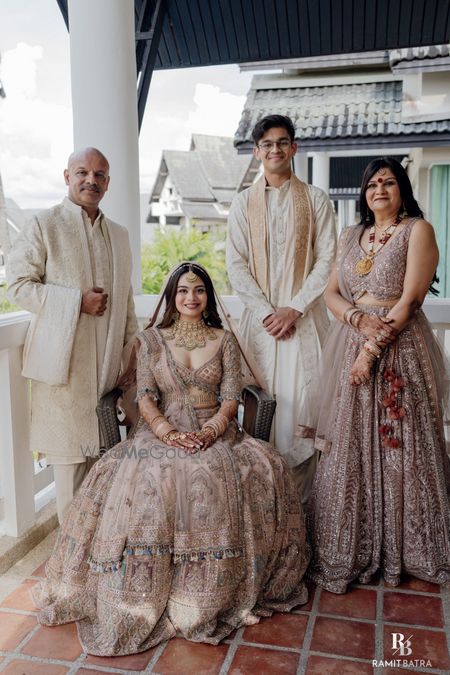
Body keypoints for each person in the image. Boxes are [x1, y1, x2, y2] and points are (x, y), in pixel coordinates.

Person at [32, 262, 310, 656]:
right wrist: (168, 432)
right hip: (162, 430)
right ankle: (147, 592)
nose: (191, 297)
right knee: (144, 479)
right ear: (172, 296)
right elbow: (144, 395)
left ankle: (211, 593)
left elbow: (232, 396)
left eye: (198, 290)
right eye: (182, 291)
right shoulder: (151, 340)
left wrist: (211, 431)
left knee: (256, 466)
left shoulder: (225, 339)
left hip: (217, 429)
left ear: (208, 296)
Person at [303, 157, 450, 593]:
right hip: (352, 337)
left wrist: (371, 350)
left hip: (398, 345)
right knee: (350, 444)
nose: (379, 190)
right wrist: (355, 320)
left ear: (402, 188)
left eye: (388, 182)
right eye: (372, 185)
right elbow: (330, 293)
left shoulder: (417, 230)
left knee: (402, 444)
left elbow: (412, 299)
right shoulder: (352, 235)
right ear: (364, 194)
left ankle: (408, 549)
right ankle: (353, 545)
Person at [7, 147, 138, 523]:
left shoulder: (119, 235)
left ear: (108, 183)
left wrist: (130, 366)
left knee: (104, 477)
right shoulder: (44, 225)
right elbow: (17, 285)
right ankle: (70, 569)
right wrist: (75, 302)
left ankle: (97, 562)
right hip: (64, 379)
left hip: (107, 378)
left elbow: (126, 304)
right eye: (82, 172)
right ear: (67, 177)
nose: (90, 181)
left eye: (99, 175)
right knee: (69, 478)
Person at [226, 114, 336, 500]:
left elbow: (327, 260)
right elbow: (235, 265)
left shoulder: (316, 199)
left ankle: (307, 519)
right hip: (262, 328)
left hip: (305, 325)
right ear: (257, 151)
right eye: (267, 144)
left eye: (282, 142)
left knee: (305, 410)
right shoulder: (242, 204)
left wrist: (294, 308)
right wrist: (268, 312)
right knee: (263, 412)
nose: (275, 149)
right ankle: (268, 517)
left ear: (294, 148)